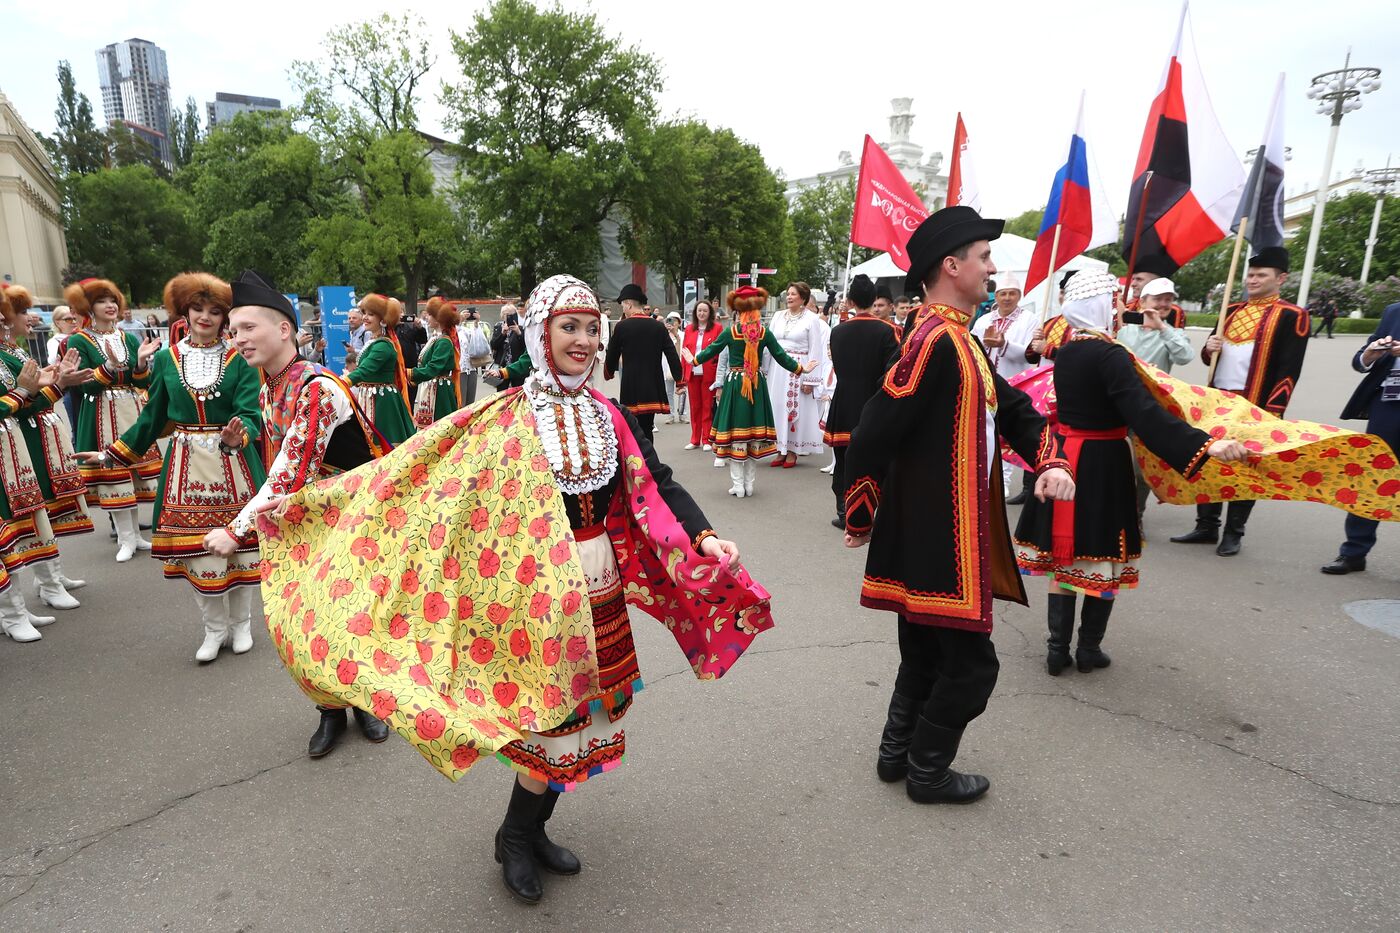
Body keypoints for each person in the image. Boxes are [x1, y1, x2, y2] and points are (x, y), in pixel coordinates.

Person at [254, 274, 774, 905]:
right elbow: (427, 480)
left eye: (590, 328)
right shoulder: (507, 417)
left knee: (583, 715)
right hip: (531, 598)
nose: (583, 340)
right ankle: (515, 837)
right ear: (539, 333)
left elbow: (659, 483)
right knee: (550, 722)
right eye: (569, 327)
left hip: (597, 585)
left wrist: (706, 536)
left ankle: (532, 829)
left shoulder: (608, 415)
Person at [842, 206, 1075, 804]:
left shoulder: (957, 338)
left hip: (935, 533)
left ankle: (897, 756)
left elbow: (1012, 410)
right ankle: (927, 769)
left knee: (923, 652)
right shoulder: (933, 341)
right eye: (984, 256)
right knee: (973, 668)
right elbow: (873, 430)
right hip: (940, 538)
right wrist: (862, 503)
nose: (993, 268)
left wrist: (1049, 459)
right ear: (952, 266)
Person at [1012, 271, 1248, 676]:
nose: (1122, 311)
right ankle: (1088, 650)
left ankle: (1056, 650)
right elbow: (1144, 414)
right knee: (1102, 555)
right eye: (1116, 302)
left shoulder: (1067, 351)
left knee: (1066, 555)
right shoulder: (1112, 355)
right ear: (1102, 306)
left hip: (1066, 456)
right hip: (1103, 461)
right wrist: (1204, 443)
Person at [207, 269, 393, 757]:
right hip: (307, 519)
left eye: (247, 327)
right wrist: (237, 444)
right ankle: (330, 710)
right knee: (306, 618)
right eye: (233, 330)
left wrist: (236, 530)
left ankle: (365, 702)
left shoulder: (317, 387)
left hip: (353, 520)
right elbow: (280, 451)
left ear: (285, 329)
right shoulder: (271, 385)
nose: (237, 338)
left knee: (352, 615)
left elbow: (291, 468)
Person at [79, 273, 267, 663]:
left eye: (215, 311)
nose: (205, 317)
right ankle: (213, 630)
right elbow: (151, 418)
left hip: (234, 465)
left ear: (224, 316)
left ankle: (242, 624)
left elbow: (251, 414)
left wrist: (240, 435)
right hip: (186, 467)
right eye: (198, 308)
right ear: (184, 311)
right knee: (198, 552)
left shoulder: (241, 360)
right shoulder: (166, 359)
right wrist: (111, 454)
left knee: (242, 549)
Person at [1171, 246, 1308, 556]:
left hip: (1256, 404)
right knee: (1210, 461)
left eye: (1261, 275)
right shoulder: (1230, 310)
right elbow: (1210, 356)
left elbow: (1289, 369)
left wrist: (1273, 412)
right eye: (1250, 274)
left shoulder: (1292, 315)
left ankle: (1234, 532)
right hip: (1218, 400)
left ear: (1281, 278)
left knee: (1247, 467)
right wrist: (1209, 346)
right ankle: (1206, 526)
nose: (1253, 280)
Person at [0, 286, 89, 629]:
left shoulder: (11, 351)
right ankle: (15, 610)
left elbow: (28, 399)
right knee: (15, 522)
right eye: (22, 313)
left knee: (33, 514)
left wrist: (56, 382)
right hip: (17, 441)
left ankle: (40, 589)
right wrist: (37, 389)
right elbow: (20, 400)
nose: (29, 318)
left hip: (18, 442)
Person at [63, 278, 163, 561]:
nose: (110, 306)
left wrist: (142, 362)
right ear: (89, 307)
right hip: (100, 414)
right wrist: (107, 367)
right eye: (102, 301)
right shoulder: (79, 340)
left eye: (113, 300)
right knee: (114, 475)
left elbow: (138, 379)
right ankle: (125, 538)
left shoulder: (127, 338)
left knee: (132, 473)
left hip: (130, 409)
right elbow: (84, 385)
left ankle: (137, 536)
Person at [695, 287, 816, 498]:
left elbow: (711, 351)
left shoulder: (731, 332)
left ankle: (738, 485)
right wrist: (801, 369)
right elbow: (781, 356)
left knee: (736, 435)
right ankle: (749, 485)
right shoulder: (763, 332)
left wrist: (693, 359)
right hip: (756, 383)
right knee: (752, 434)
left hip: (735, 384)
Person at [1321, 300, 1400, 574]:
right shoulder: (1393, 311)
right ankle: (1354, 551)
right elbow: (1359, 360)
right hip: (1388, 406)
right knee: (1372, 476)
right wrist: (1370, 354)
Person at [1116, 277, 1197, 518]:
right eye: (1158, 299)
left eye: (1168, 300)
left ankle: (1135, 513)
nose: (1163, 304)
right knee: (1113, 462)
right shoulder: (1123, 328)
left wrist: (1162, 327)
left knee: (1142, 470)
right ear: (1142, 302)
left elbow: (1185, 356)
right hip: (1118, 406)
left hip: (1150, 408)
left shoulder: (1172, 333)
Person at [824, 274, 899, 529]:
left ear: (851, 300)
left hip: (844, 401)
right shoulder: (888, 331)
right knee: (878, 459)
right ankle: (877, 512)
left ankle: (845, 511)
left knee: (844, 459)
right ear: (873, 299)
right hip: (873, 402)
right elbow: (892, 372)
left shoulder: (838, 331)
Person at [970, 272, 1039, 504]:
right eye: (1002, 294)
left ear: (1018, 296)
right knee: (986, 431)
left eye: (1012, 294)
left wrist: (1005, 345)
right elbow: (972, 346)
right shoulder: (983, 321)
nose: (1007, 298)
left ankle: (1004, 481)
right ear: (996, 296)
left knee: (1009, 432)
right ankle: (986, 478)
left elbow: (1031, 353)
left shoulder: (1029, 320)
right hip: (987, 382)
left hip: (1016, 381)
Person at [603, 284, 682, 442]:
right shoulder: (658, 327)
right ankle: (650, 462)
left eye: (623, 305)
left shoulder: (622, 327)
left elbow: (612, 354)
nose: (623, 309)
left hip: (631, 386)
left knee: (633, 428)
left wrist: (608, 372)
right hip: (652, 385)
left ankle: (639, 463)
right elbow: (671, 354)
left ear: (629, 304)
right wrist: (679, 379)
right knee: (647, 427)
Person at [764, 282, 829, 467]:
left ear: (803, 298)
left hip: (799, 368)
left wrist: (811, 380)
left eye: (793, 294)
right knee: (776, 406)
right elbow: (769, 344)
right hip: (778, 368)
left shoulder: (811, 319)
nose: (789, 297)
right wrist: (765, 368)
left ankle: (792, 450)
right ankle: (779, 449)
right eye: (788, 294)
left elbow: (816, 351)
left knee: (794, 409)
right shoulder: (777, 316)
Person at [345, 294, 416, 446]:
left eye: (371, 314)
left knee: (384, 446)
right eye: (364, 313)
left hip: (382, 403)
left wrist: (344, 381)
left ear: (383, 320)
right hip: (372, 398)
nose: (365, 317)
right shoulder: (375, 341)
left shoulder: (383, 345)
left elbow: (365, 370)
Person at [409, 298, 462, 427]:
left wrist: (409, 373)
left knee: (439, 429)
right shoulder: (436, 338)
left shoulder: (443, 341)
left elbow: (433, 368)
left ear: (440, 319)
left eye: (431, 315)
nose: (427, 318)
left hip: (439, 392)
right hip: (432, 388)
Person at [681, 299, 722, 451]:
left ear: (710, 313)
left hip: (708, 374)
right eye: (699, 310)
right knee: (695, 407)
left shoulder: (717, 328)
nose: (702, 313)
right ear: (695, 313)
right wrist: (682, 375)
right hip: (692, 373)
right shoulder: (689, 329)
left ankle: (707, 439)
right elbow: (684, 352)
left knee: (707, 407)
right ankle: (694, 439)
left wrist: (719, 376)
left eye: (705, 310)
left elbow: (720, 353)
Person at [1125, 255, 1187, 330]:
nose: (1133, 284)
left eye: (1139, 279)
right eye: (1133, 279)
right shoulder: (1128, 307)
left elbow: (1176, 338)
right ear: (1142, 302)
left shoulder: (1174, 311)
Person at [457, 305, 493, 404]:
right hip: (460, 370)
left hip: (472, 368)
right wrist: (459, 320)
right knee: (461, 402)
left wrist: (476, 322)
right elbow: (455, 330)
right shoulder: (453, 331)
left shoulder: (465, 331)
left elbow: (476, 338)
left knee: (470, 402)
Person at [491, 303, 527, 388]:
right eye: (505, 314)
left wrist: (519, 333)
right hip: (502, 365)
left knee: (517, 390)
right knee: (502, 392)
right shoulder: (498, 327)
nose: (507, 317)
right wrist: (502, 334)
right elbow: (493, 345)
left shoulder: (521, 328)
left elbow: (526, 347)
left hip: (516, 366)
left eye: (510, 315)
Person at [663, 312, 686, 424]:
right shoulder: (664, 335)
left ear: (679, 323)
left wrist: (676, 334)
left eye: (675, 321)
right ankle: (671, 415)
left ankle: (682, 414)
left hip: (681, 366)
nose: (672, 323)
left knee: (682, 391)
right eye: (670, 320)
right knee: (669, 392)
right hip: (667, 367)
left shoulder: (683, 335)